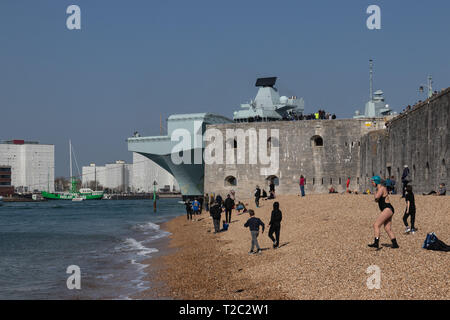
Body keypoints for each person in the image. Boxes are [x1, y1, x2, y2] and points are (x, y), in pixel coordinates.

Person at [368, 176, 399, 249]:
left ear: (376, 182)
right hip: (389, 209)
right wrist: (376, 194)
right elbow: (376, 200)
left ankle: (376, 243)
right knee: (387, 228)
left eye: (372, 182)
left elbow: (376, 198)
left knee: (376, 225)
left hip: (387, 209)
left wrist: (375, 193)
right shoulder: (380, 189)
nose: (372, 184)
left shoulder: (381, 188)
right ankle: (395, 244)